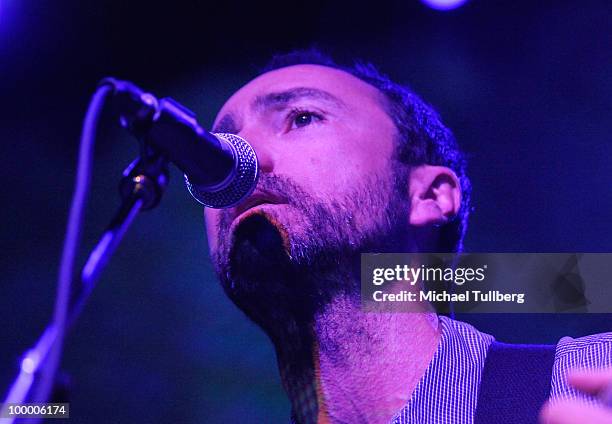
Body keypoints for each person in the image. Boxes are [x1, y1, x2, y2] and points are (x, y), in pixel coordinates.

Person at [202, 50, 612, 424]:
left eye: (303, 117)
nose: (241, 160)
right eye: (225, 142)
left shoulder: (591, 382)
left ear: (429, 196)